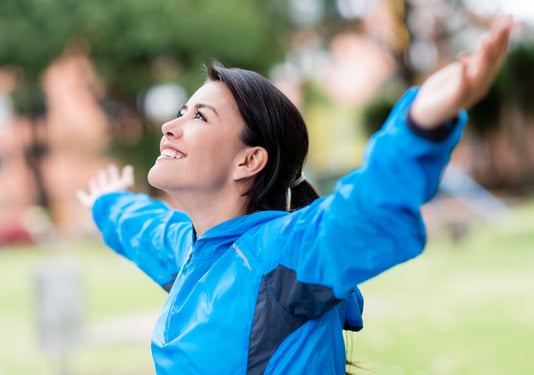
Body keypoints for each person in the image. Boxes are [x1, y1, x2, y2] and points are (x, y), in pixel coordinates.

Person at [77, 17, 513, 375]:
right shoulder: (193, 252)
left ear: (249, 161)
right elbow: (145, 229)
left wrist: (420, 125)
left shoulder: (284, 255)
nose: (169, 127)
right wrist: (107, 204)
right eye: (180, 113)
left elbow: (362, 211)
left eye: (200, 117)